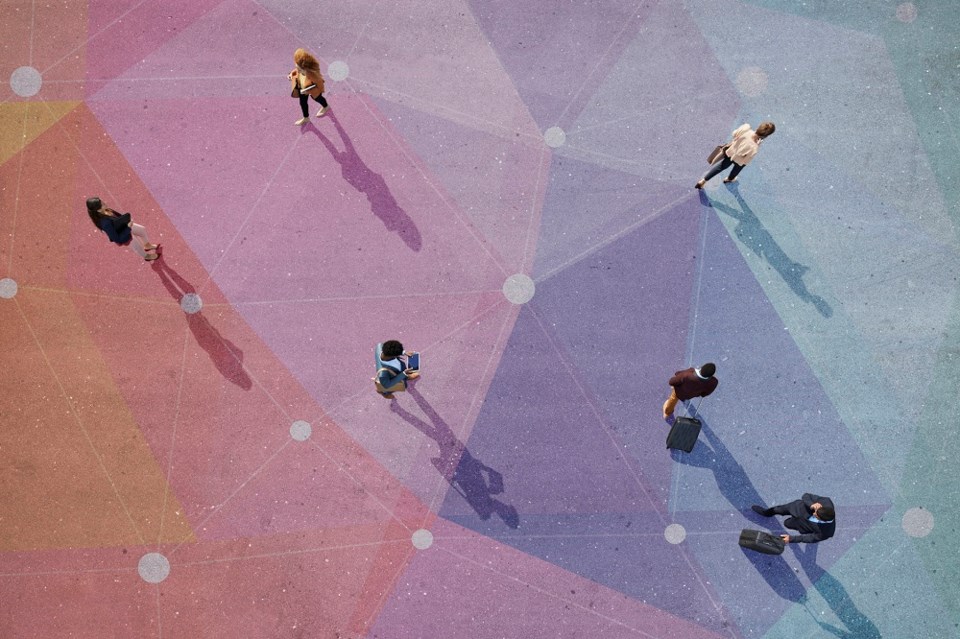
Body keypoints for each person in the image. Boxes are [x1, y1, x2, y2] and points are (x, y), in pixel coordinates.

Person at [695, 121, 775, 188]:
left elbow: (734, 134)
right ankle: (729, 179)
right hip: (739, 160)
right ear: (765, 136)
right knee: (736, 170)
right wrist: (757, 145)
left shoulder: (746, 129)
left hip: (731, 152)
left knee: (721, 166)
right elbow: (746, 160)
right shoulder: (754, 147)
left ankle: (703, 181)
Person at [86, 197, 159, 261]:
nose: (105, 203)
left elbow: (119, 217)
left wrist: (127, 220)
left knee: (142, 230)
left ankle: (147, 245)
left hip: (125, 226)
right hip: (124, 235)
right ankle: (146, 256)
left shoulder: (106, 210)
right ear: (98, 210)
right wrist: (128, 227)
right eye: (102, 204)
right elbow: (117, 239)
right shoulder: (105, 223)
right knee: (137, 246)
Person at [752, 493, 836, 544]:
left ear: (822, 520)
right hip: (795, 507)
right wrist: (811, 504)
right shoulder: (826, 501)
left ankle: (790, 523)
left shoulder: (827, 532)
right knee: (778, 509)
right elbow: (806, 495)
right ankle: (766, 513)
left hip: (800, 525)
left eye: (815, 515)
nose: (813, 512)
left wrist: (792, 539)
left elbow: (810, 538)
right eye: (815, 511)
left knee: (786, 523)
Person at [288, 48, 329, 126]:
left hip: (311, 90)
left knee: (317, 98)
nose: (298, 70)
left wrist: (309, 90)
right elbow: (296, 70)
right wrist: (291, 75)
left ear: (305, 68)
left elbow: (319, 84)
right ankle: (306, 118)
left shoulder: (313, 75)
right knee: (303, 103)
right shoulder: (300, 69)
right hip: (302, 88)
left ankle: (326, 106)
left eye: (300, 69)